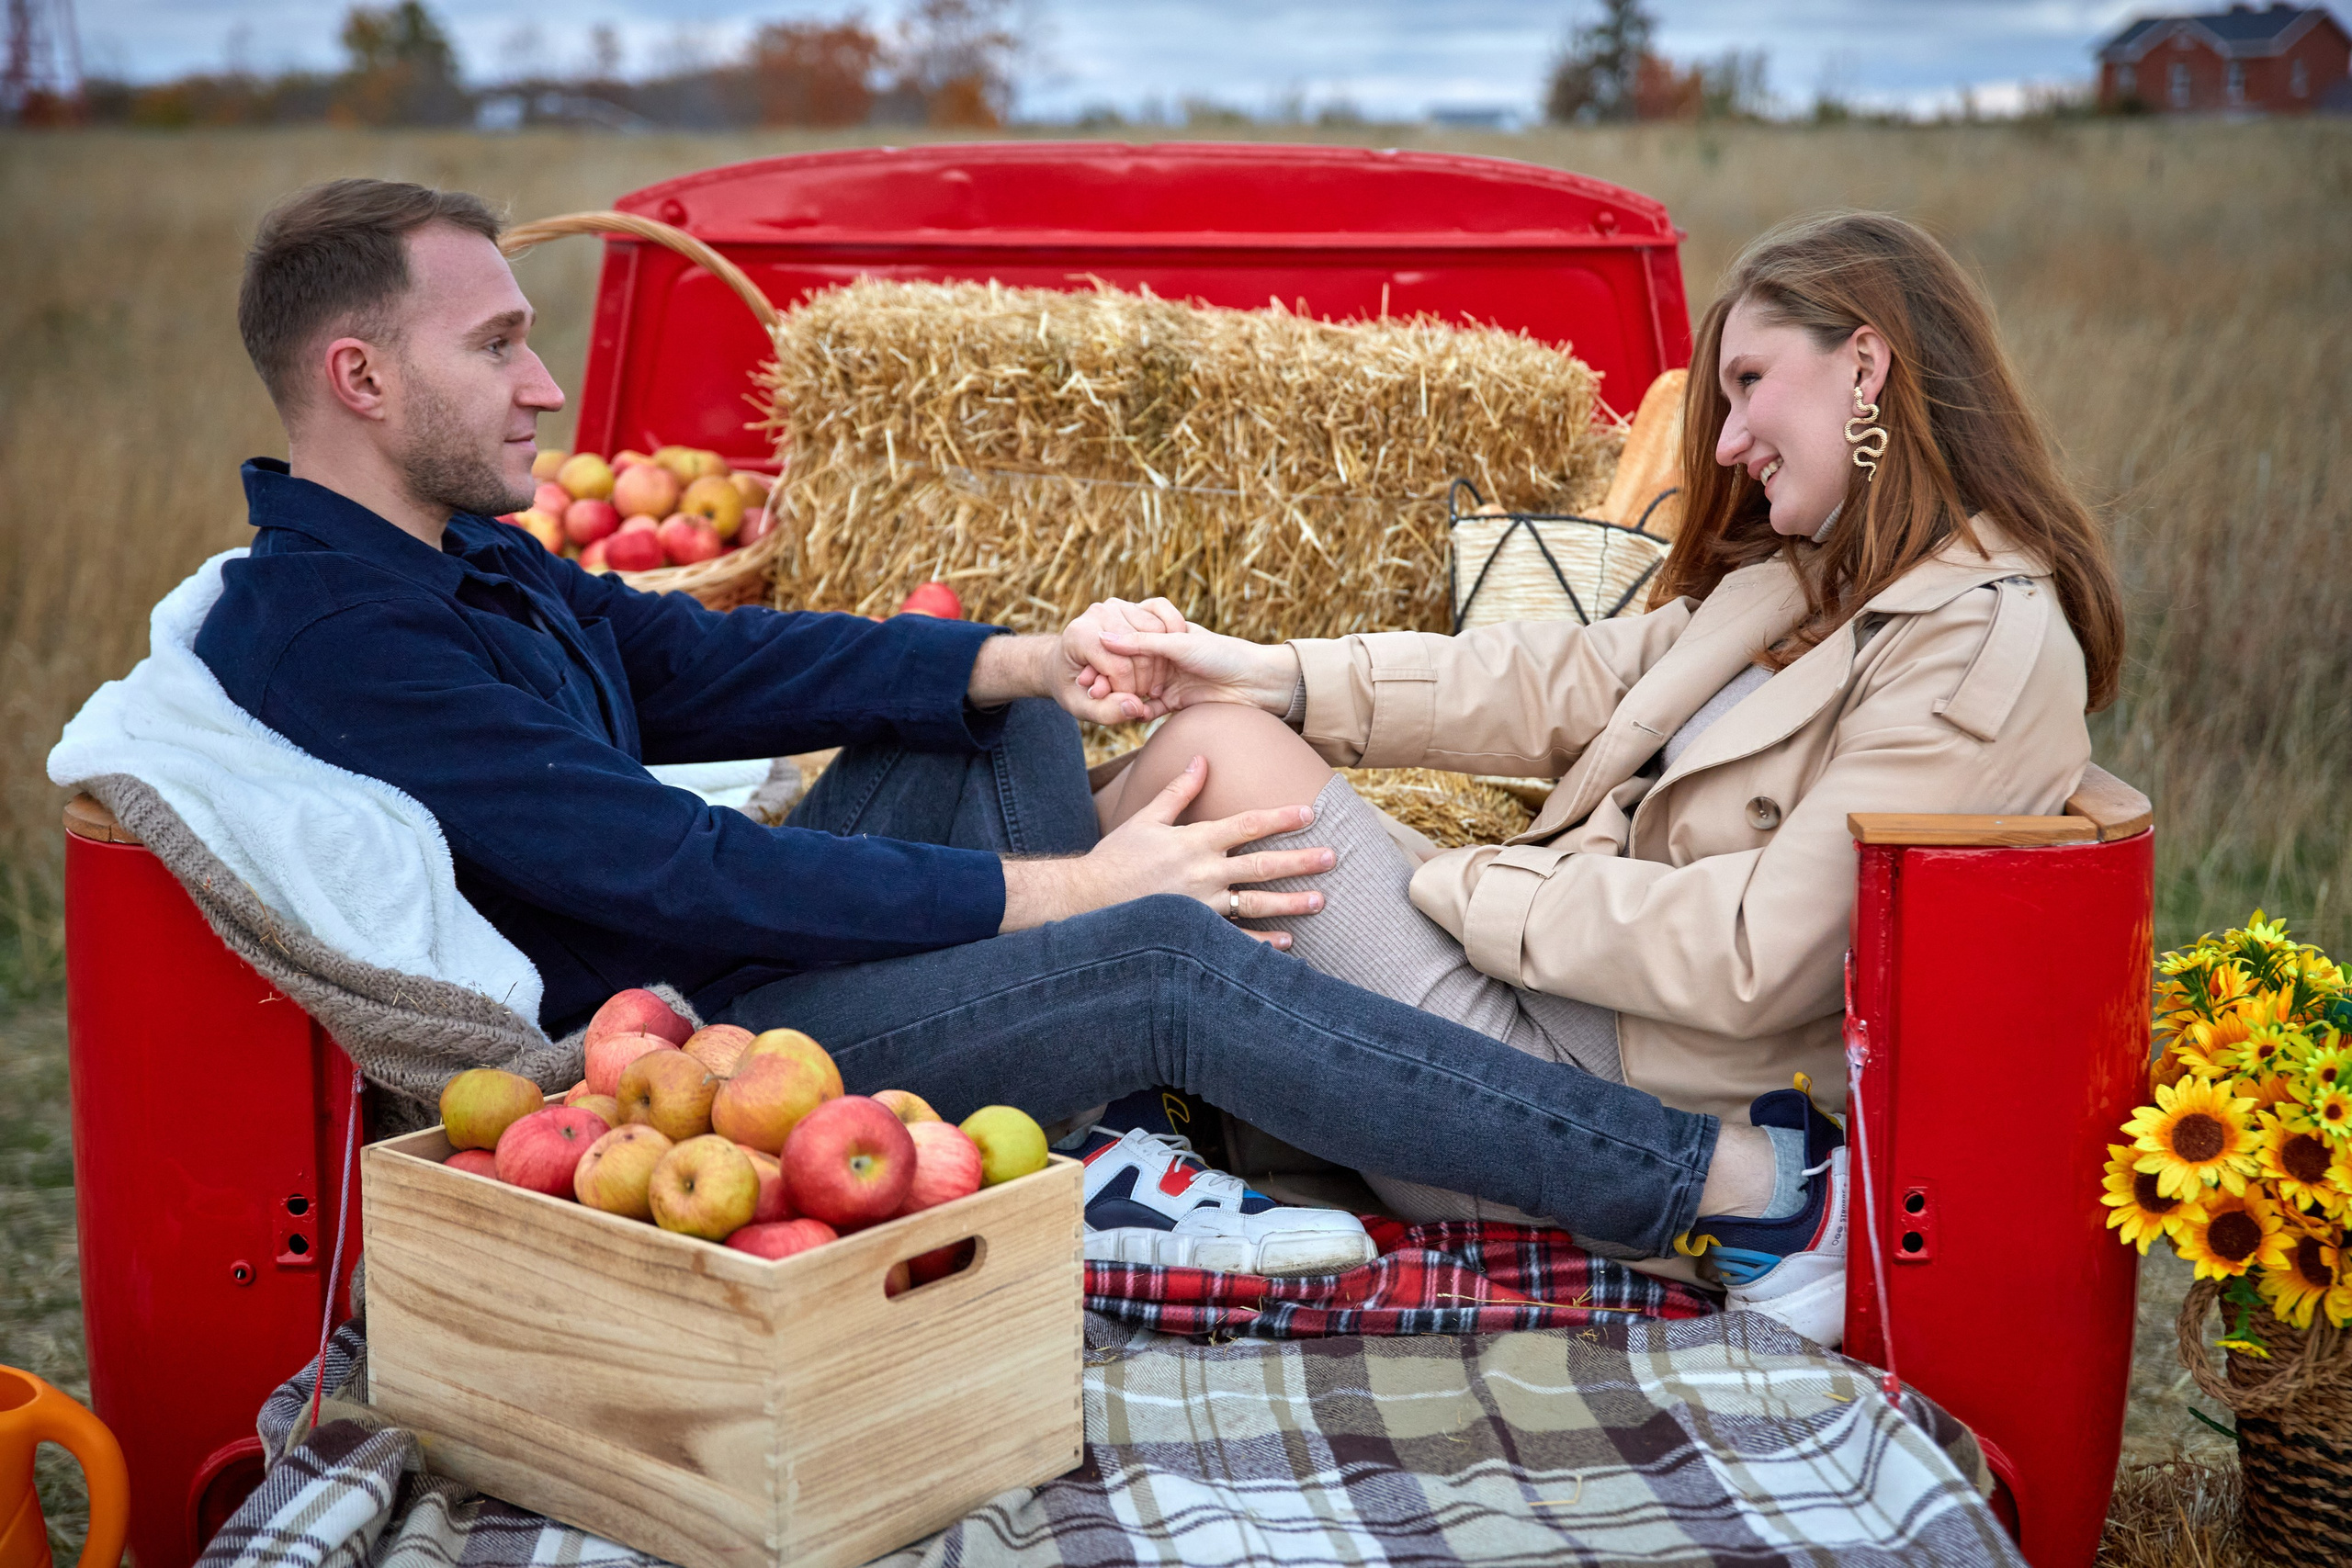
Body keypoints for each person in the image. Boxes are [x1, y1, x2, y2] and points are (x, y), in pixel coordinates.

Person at [194, 177, 1838, 1328]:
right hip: (685, 1046)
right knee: (1160, 954)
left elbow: (692, 654)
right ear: (359, 375)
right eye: (495, 346)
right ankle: (1726, 1187)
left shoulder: (450, 554)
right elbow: (666, 865)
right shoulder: (348, 630)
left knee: (992, 704)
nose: (544, 384)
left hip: (716, 942)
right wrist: (1070, 888)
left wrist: (1028, 653)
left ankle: (1104, 1138)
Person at [1079, 210, 2126, 1325]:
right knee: (1197, 754)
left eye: (1748, 382)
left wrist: (1474, 886)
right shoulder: (1805, 586)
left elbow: (1762, 953)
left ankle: (1030, 1103)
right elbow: (1549, 678)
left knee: (1211, 765)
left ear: (1864, 364)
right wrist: (1266, 673)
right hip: (1559, 1008)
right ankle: (1060, 1096)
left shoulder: (1981, 647)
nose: (1723, 442)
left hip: (1625, 1125)